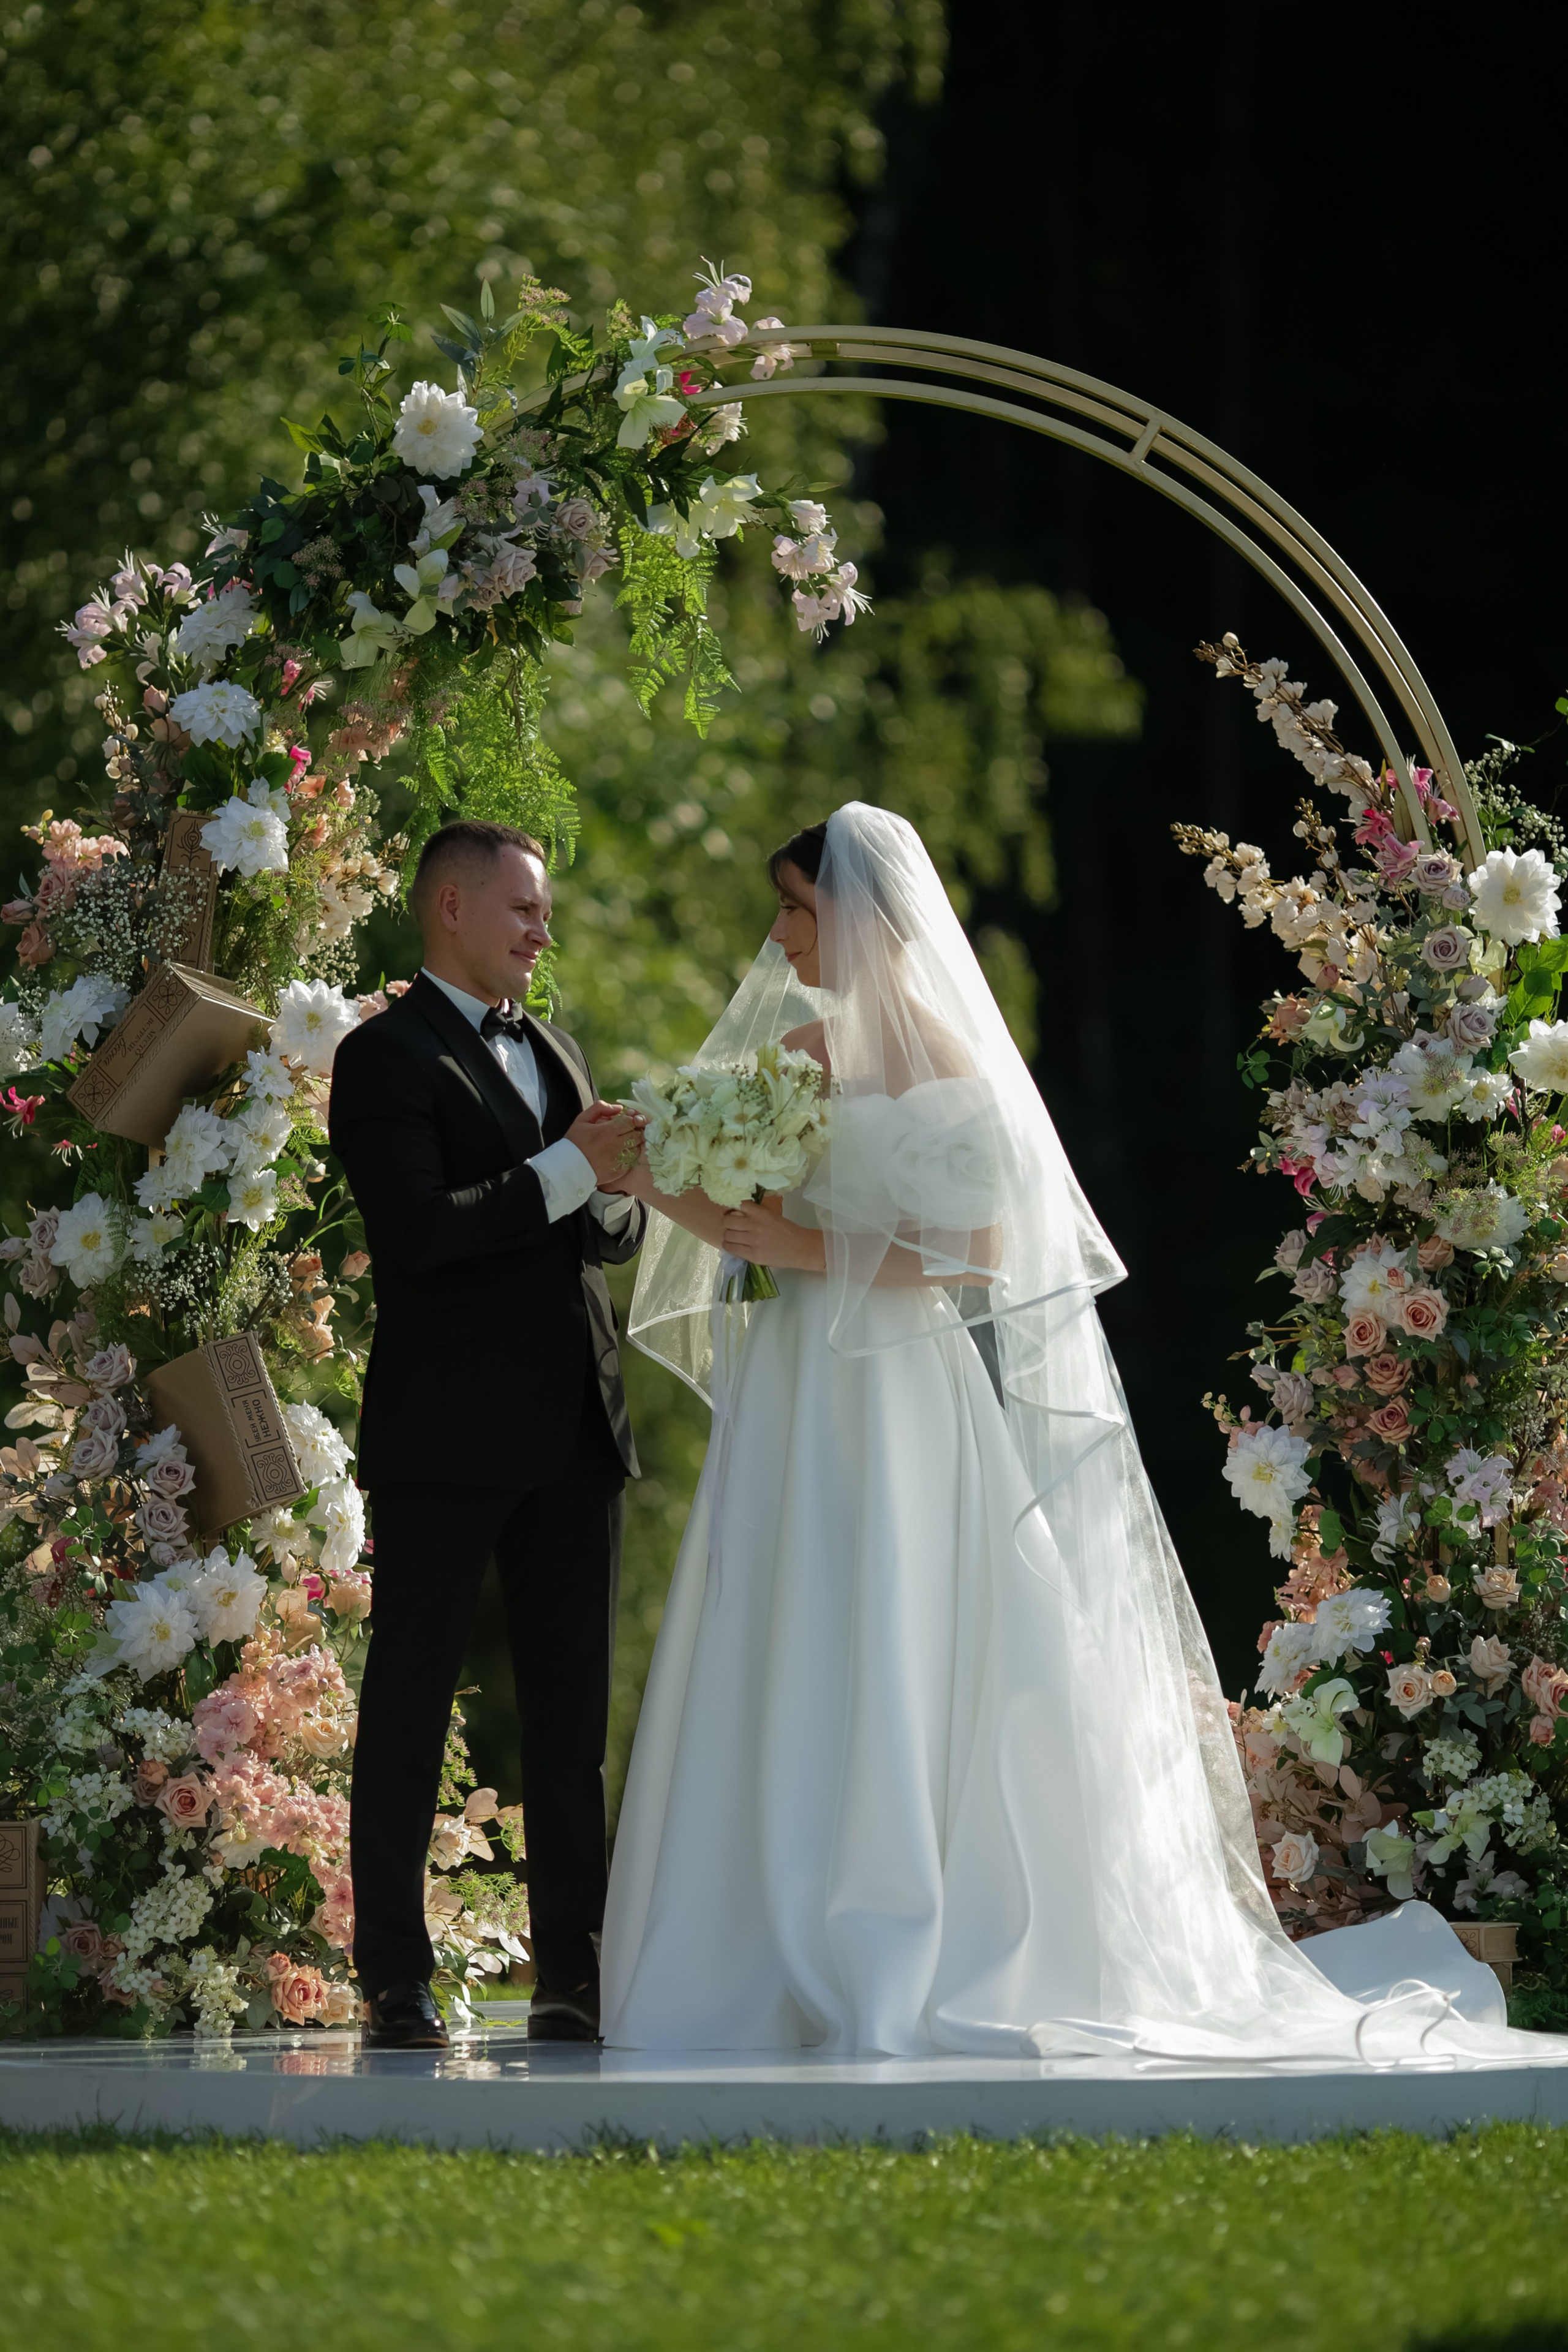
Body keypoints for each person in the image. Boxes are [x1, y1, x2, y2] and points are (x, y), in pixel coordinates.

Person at [599, 801, 1565, 2068]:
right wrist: (643, 1171)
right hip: (798, 1385)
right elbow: (746, 1214)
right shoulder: (799, 1051)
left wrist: (808, 1248)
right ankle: (766, 1946)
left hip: (897, 1387)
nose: (778, 939)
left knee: (900, 1633)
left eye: (795, 910)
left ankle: (906, 1943)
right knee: (789, 1622)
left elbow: (983, 1254)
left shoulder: (950, 1062)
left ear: (863, 920)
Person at [329, 819, 646, 2051]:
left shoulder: (554, 1046)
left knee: (571, 1726)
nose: (540, 929)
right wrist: (570, 1174)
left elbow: (593, 1237)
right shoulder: (382, 1057)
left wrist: (614, 1190)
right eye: (521, 909)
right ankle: (394, 1981)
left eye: (544, 910)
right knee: (408, 1707)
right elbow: (417, 1232)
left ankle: (573, 1975)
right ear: (449, 908)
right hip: (446, 1432)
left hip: (575, 1425)